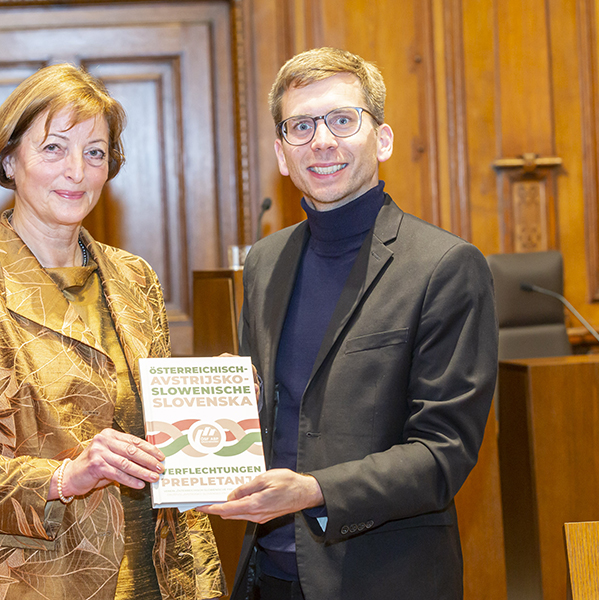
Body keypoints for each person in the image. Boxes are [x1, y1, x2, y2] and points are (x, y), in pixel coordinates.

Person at [0, 63, 225, 600]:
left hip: (153, 574)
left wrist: (215, 408)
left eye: (95, 152)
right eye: (54, 148)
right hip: (16, 581)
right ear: (9, 158)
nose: (77, 170)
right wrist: (61, 478)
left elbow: (156, 428)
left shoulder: (135, 277)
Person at [198, 47, 498, 599]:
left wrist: (313, 490)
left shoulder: (444, 266)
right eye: (301, 126)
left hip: (382, 577)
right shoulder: (265, 262)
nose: (322, 140)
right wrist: (238, 397)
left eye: (342, 120)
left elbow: (443, 453)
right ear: (282, 154)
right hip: (265, 577)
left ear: (380, 139)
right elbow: (286, 413)